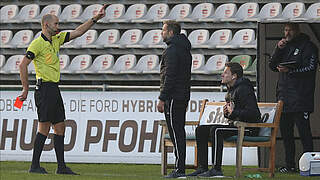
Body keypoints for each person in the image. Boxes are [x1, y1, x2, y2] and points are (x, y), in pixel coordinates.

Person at [18, 4, 108, 174]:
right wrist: (25, 89)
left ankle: (61, 167)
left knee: (60, 127)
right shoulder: (37, 44)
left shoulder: (57, 39)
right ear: (46, 25)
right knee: (44, 127)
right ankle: (34, 166)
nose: (58, 27)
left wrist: (96, 18)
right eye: (56, 24)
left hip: (54, 88)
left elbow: (78, 32)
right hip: (44, 89)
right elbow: (23, 65)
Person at [188, 62, 261, 177]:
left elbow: (253, 113)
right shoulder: (231, 90)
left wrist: (234, 112)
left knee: (216, 130)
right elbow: (235, 114)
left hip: (249, 128)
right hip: (237, 125)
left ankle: (216, 169)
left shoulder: (244, 89)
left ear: (234, 76)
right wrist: (227, 114)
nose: (222, 75)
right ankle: (202, 168)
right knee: (201, 130)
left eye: (225, 72)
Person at [269, 23, 318, 173]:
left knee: (304, 133)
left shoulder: (308, 46)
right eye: (285, 29)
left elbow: (311, 68)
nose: (287, 32)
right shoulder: (285, 47)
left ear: (297, 31)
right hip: (284, 98)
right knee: (286, 134)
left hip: (301, 97)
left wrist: (290, 71)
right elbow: (272, 65)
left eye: (290, 29)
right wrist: (278, 48)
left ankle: (310, 165)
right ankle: (289, 164)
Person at [157, 20, 192, 178]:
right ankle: (180, 167)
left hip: (173, 97)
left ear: (171, 32)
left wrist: (162, 97)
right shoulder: (185, 50)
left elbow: (169, 76)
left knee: (176, 132)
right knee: (179, 131)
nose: (162, 33)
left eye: (163, 30)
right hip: (182, 96)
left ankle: (179, 169)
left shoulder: (171, 51)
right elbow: (186, 77)